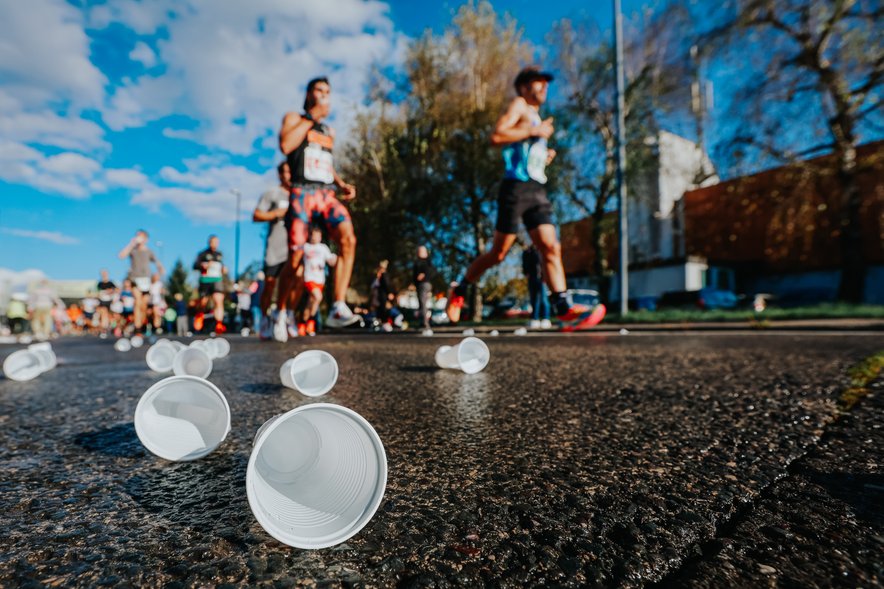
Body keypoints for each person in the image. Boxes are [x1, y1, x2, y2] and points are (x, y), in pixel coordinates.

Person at [446, 66, 591, 324]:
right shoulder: (520, 105)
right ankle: (459, 290)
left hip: (537, 187)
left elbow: (524, 152)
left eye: (547, 83)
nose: (545, 86)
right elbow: (497, 135)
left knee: (550, 245)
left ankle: (562, 305)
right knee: (498, 253)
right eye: (539, 82)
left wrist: (542, 157)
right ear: (524, 87)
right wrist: (534, 132)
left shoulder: (536, 115)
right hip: (515, 187)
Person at [274, 76, 359, 342]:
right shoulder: (294, 119)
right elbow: (287, 146)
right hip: (302, 192)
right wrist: (311, 117)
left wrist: (342, 183)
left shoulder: (328, 131)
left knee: (348, 238)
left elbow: (324, 161)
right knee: (296, 257)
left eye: (328, 92)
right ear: (309, 93)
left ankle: (338, 305)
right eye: (319, 90)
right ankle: (281, 311)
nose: (324, 95)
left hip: (326, 194)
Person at [252, 162, 293, 339]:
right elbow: (256, 215)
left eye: (290, 171)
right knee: (269, 285)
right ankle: (264, 318)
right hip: (275, 247)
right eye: (284, 172)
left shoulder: (300, 195)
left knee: (290, 285)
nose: (287, 175)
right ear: (279, 174)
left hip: (294, 247)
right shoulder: (272, 193)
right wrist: (277, 213)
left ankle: (281, 317)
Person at [118, 230, 164, 333]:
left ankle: (142, 323)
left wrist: (160, 268)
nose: (139, 238)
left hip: (146, 280)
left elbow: (157, 262)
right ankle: (137, 327)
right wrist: (131, 243)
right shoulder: (133, 250)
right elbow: (121, 255)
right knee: (138, 302)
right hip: (135, 279)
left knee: (143, 305)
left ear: (146, 239)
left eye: (141, 236)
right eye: (137, 236)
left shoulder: (149, 251)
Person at [299, 225, 337, 336]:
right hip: (308, 278)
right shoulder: (305, 247)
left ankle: (302, 324)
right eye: (313, 235)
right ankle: (311, 324)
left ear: (320, 237)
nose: (315, 238)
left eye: (317, 236)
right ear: (310, 236)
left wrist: (335, 258)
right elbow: (296, 257)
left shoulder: (323, 248)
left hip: (320, 279)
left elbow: (331, 261)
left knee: (310, 303)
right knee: (318, 297)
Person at [192, 235, 228, 334]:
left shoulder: (219, 254)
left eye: (217, 242)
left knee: (219, 300)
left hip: (217, 280)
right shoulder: (202, 254)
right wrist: (203, 265)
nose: (215, 244)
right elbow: (195, 266)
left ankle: (219, 324)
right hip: (205, 281)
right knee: (203, 302)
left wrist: (224, 269)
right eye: (214, 242)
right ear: (209, 242)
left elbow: (222, 265)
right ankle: (199, 314)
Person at [522, 244, 551, 329]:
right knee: (534, 299)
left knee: (543, 299)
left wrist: (545, 276)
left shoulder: (542, 249)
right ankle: (535, 319)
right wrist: (526, 273)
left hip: (541, 278)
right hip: (532, 277)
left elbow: (544, 263)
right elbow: (525, 264)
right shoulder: (527, 251)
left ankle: (546, 319)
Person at [412, 245, 434, 333]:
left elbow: (432, 271)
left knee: (423, 303)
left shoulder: (427, 262)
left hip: (424, 284)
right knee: (421, 304)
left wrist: (424, 275)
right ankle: (422, 322)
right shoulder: (418, 261)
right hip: (419, 285)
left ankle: (425, 324)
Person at [369, 260, 392, 328]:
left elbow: (387, 285)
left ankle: (384, 323)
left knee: (383, 309)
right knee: (378, 309)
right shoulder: (377, 275)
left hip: (382, 295)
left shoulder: (384, 275)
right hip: (377, 295)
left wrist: (389, 292)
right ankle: (379, 323)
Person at [96, 269, 116, 335]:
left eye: (105, 273)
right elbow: (97, 293)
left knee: (109, 316)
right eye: (102, 274)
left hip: (109, 301)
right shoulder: (100, 284)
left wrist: (110, 291)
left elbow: (116, 290)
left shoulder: (111, 283)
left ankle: (110, 328)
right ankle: (103, 329)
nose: (104, 275)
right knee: (103, 314)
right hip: (102, 301)